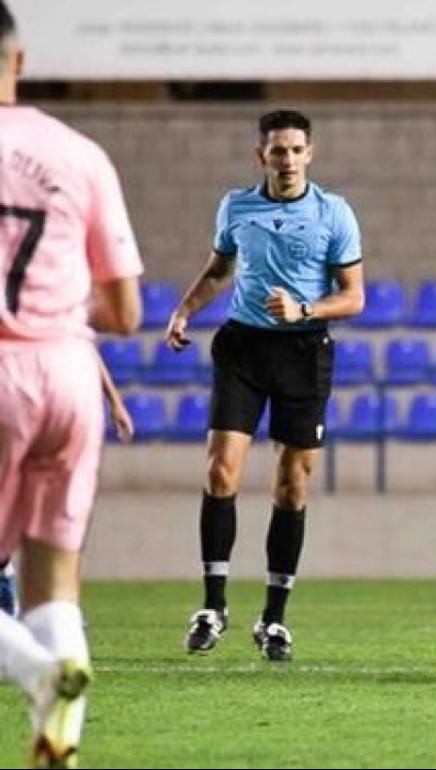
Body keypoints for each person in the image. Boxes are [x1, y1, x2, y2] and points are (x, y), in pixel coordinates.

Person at [0, 3, 145, 765]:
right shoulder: (79, 153)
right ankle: (59, 743)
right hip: (69, 373)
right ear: (17, 59)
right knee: (54, 584)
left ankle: (39, 671)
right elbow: (124, 310)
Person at [165, 109, 364, 661]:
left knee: (291, 486)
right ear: (262, 157)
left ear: (310, 154)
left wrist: (304, 308)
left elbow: (355, 297)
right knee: (220, 467)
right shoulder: (237, 206)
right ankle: (213, 605)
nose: (287, 160)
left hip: (303, 350)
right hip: (244, 347)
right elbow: (218, 269)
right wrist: (184, 311)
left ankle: (274, 620)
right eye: (278, 151)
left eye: (297, 150)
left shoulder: (334, 214)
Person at [0, 355, 133, 620]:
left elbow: (84, 347)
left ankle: (56, 611)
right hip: (20, 410)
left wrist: (115, 401)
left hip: (42, 413)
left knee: (49, 521)